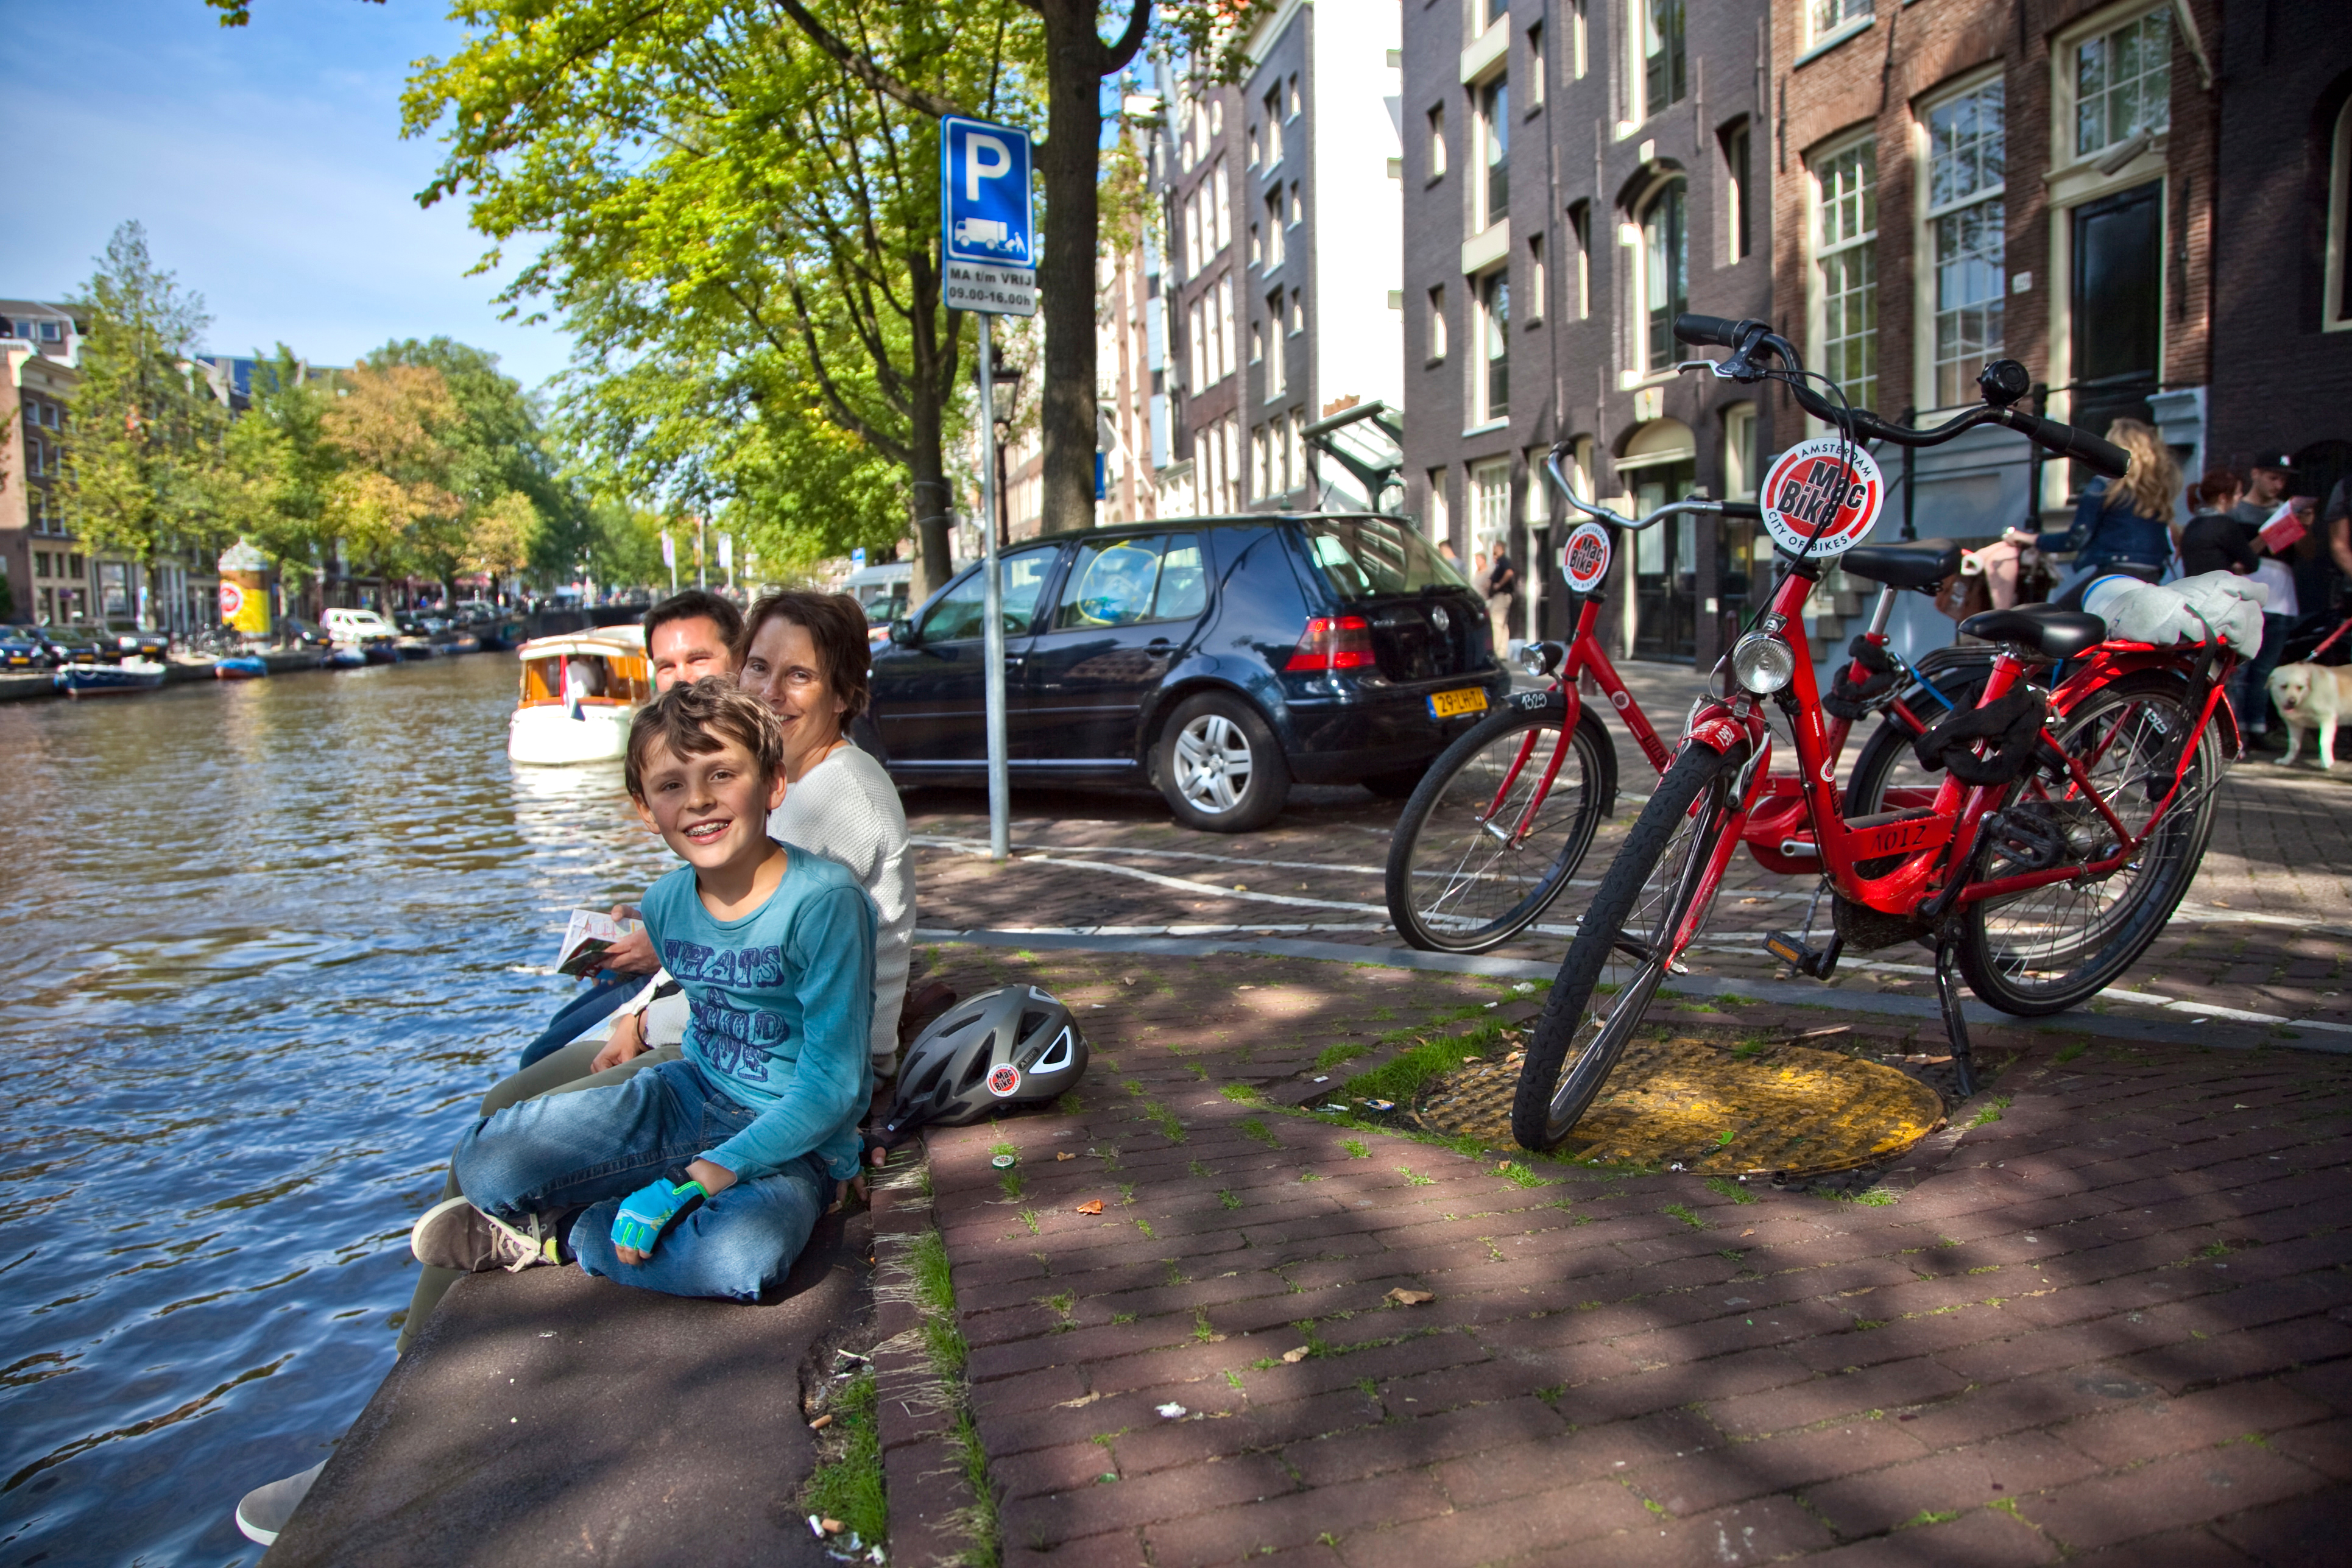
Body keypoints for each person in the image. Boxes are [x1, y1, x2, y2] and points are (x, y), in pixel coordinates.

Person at [407, 679, 872, 1304]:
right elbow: (703, 999)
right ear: (644, 808)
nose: (699, 802)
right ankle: (615, 1204)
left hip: (795, 1136)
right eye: (672, 786)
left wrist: (703, 1179)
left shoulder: (824, 903)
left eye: (722, 775)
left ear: (773, 784)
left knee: (744, 1258)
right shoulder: (664, 904)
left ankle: (568, 1235)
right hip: (689, 1098)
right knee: (487, 1161)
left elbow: (832, 1085)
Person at [516, 590, 747, 1070]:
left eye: (698, 658)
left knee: (539, 1061)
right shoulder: (690, 755)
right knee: (544, 1043)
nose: (681, 678)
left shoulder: (756, 769)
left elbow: (768, 925)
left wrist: (661, 948)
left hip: (711, 989)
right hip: (686, 964)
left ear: (739, 658)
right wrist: (649, 922)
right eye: (666, 666)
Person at [2004, 417, 2179, 606]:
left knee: (2055, 619)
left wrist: (2031, 539)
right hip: (2151, 576)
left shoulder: (2104, 485)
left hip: (2114, 576)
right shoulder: (2157, 490)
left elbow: (2076, 539)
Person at [2179, 469, 2256, 579]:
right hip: (2216, 590)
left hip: (2191, 589)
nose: (2241, 496)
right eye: (2237, 493)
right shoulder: (2226, 526)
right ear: (2223, 498)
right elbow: (2252, 563)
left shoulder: (2191, 525)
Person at [1486, 544, 1519, 652]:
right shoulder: (1500, 562)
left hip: (1502, 596)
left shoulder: (1503, 560)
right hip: (1503, 596)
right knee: (1503, 625)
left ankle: (1494, 651)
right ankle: (1502, 652)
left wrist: (1499, 585)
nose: (1494, 549)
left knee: (1496, 623)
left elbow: (1509, 572)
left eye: (1496, 546)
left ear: (1500, 548)